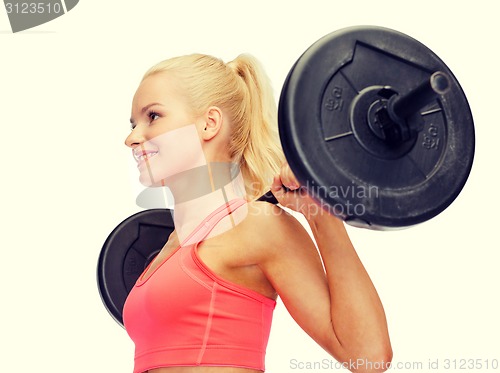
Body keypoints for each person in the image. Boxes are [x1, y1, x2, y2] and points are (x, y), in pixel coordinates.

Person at [123, 53, 392, 373]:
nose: (132, 138)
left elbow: (369, 356)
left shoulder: (257, 227)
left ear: (209, 123)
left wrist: (321, 215)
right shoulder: (169, 245)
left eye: (153, 116)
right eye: (133, 124)